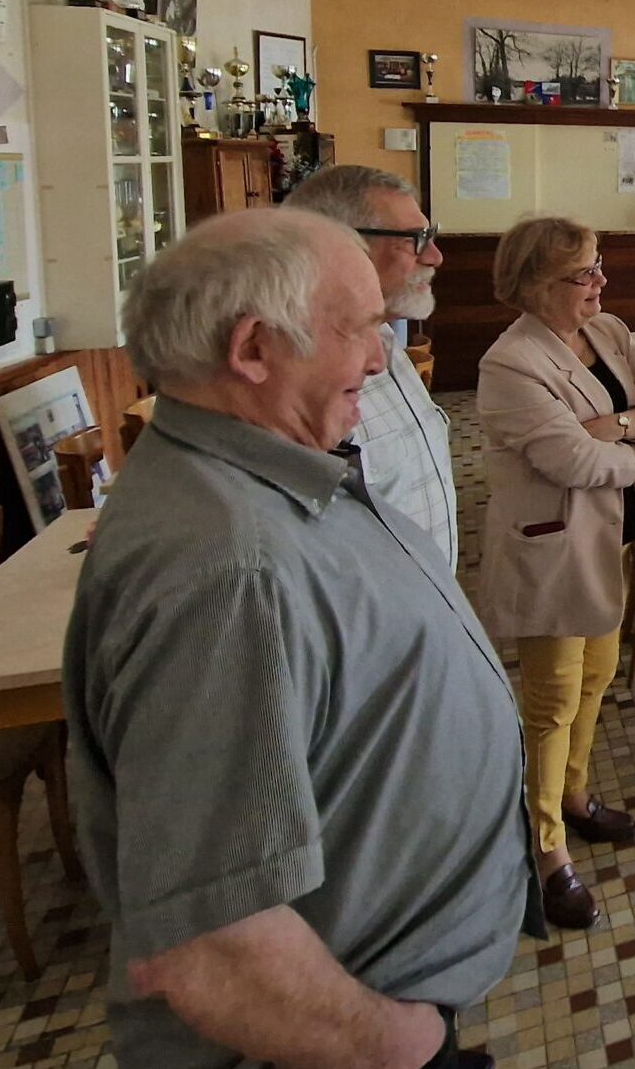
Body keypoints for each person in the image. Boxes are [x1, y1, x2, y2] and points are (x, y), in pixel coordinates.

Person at [63, 211, 530, 1069]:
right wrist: (403, 1046)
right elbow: (211, 944)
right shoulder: (226, 568)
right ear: (252, 348)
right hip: (336, 1040)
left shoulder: (256, 476)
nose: (381, 357)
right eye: (357, 330)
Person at [475, 217, 635, 930]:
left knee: (597, 678)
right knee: (551, 703)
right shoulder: (510, 364)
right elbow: (571, 462)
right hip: (554, 551)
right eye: (584, 273)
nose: (601, 282)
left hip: (615, 538)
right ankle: (547, 852)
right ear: (538, 285)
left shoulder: (608, 332)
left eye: (600, 267)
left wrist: (623, 426)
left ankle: (573, 795)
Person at [285, 163, 459, 566]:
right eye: (416, 239)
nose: (435, 256)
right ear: (341, 246)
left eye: (430, 235)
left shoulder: (383, 338)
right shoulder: (297, 373)